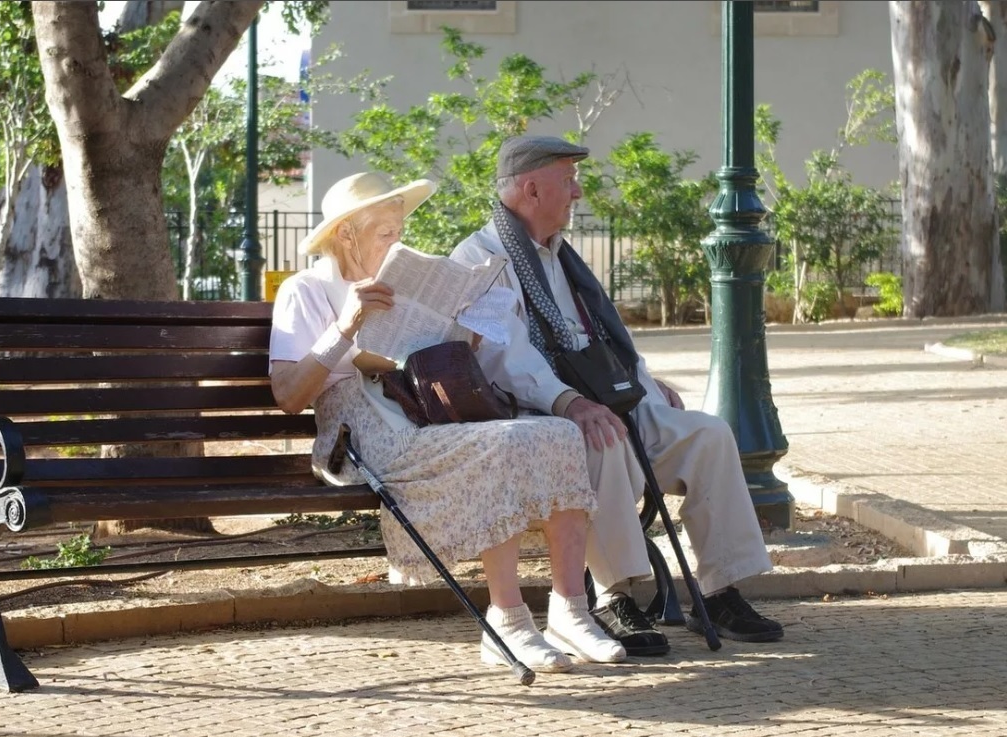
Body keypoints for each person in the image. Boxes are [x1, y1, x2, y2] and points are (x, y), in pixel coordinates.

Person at [268, 171, 628, 673]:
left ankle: (570, 610)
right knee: (499, 445)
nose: (397, 242)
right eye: (386, 233)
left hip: (422, 412)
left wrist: (463, 333)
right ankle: (507, 621)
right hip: (359, 433)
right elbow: (288, 395)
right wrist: (345, 327)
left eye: (399, 231)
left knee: (559, 432)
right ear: (346, 233)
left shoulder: (399, 283)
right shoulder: (305, 289)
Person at [450, 135, 785, 654]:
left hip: (603, 400)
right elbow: (505, 357)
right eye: (568, 181)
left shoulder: (561, 256)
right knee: (603, 440)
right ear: (531, 190)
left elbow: (603, 338)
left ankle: (721, 591)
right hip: (544, 414)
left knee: (709, 435)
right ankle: (615, 595)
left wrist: (645, 386)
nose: (578, 192)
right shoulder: (479, 258)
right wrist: (570, 402)